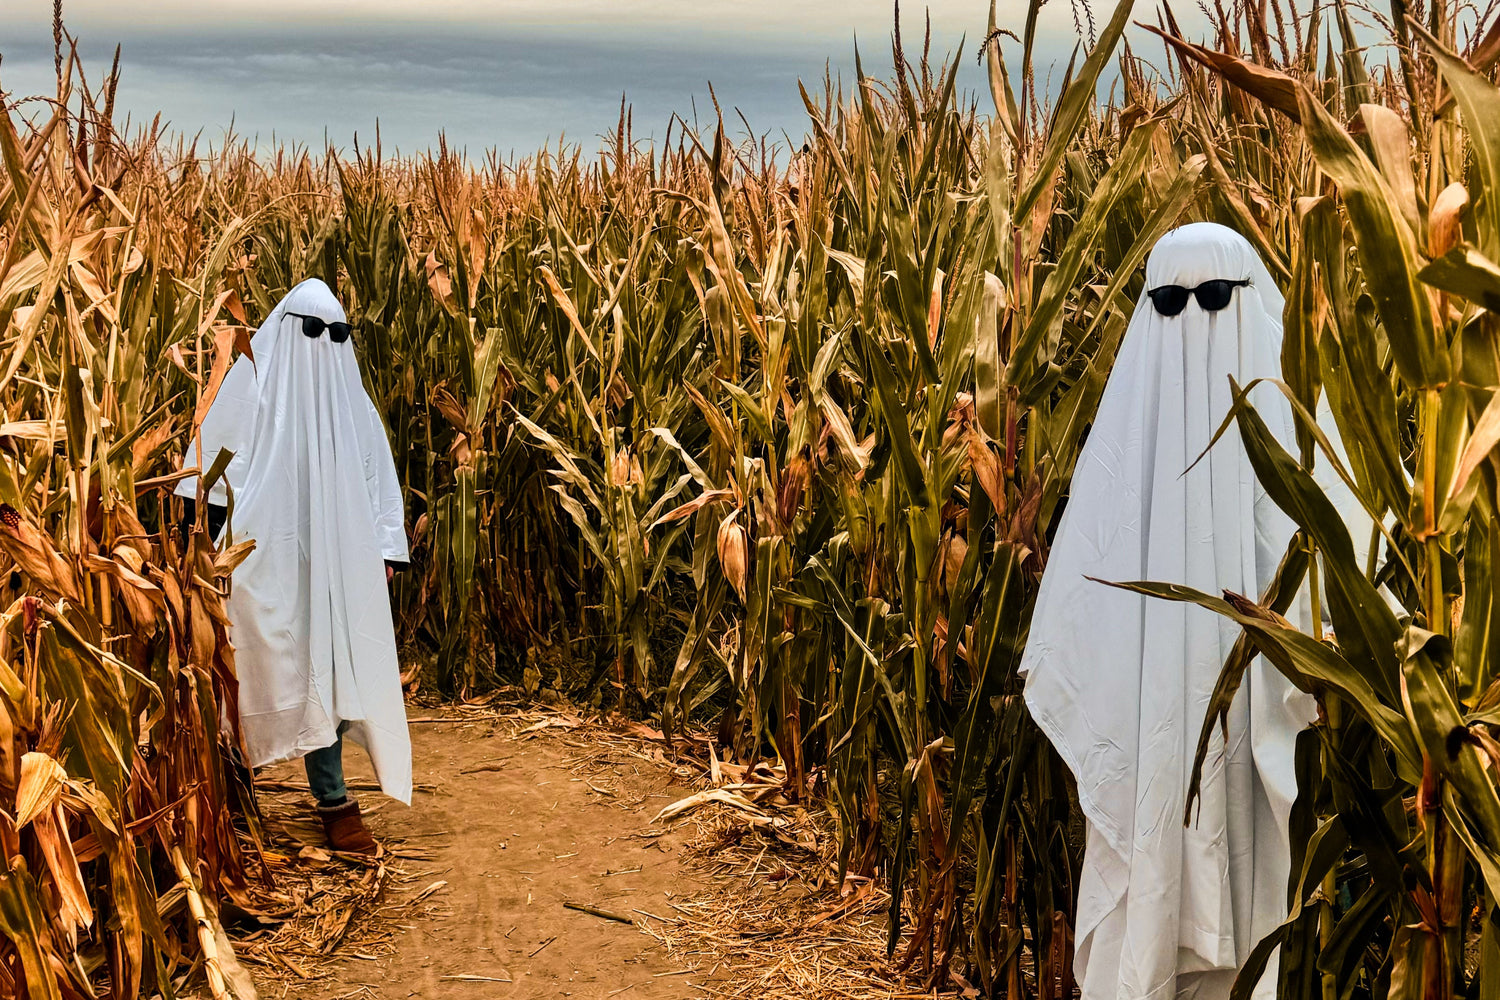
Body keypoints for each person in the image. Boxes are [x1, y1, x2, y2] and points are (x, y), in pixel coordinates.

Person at [1019, 222, 1366, 1000]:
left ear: (1245, 304)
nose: (1191, 323)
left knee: (1257, 885)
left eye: (1212, 301)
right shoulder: (1124, 453)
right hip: (1153, 736)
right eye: (1170, 303)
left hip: (1259, 726)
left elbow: (1348, 571)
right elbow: (1085, 613)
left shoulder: (1289, 429)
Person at [176, 277, 411, 854]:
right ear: (287, 330)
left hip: (335, 564)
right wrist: (200, 543)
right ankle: (230, 790)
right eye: (312, 331)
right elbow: (206, 473)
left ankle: (334, 801)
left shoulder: (351, 401)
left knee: (325, 668)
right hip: (259, 558)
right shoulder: (253, 382)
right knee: (255, 663)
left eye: (335, 334)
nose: (323, 343)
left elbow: (378, 482)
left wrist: (382, 554)